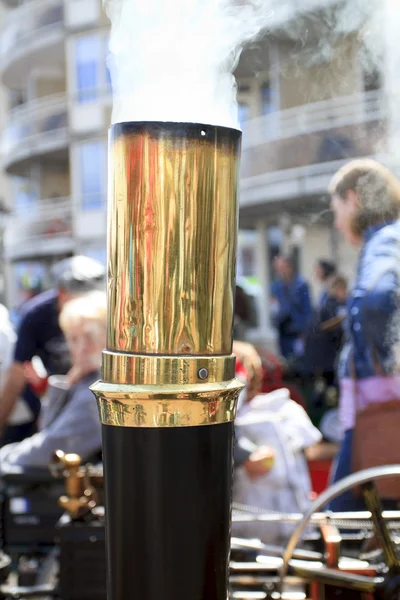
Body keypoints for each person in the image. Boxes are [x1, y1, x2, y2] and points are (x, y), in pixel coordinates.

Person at [328, 158, 400, 511]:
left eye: (337, 207)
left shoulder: (384, 241)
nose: (338, 221)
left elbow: (376, 299)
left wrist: (381, 367)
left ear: (354, 199)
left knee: (343, 519)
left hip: (380, 412)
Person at [0, 256, 105, 446]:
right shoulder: (35, 315)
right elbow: (17, 373)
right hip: (60, 395)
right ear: (62, 294)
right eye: (75, 339)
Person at [271, 255, 312, 362]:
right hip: (283, 330)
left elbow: (307, 309)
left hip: (298, 331)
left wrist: (305, 332)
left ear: (290, 267)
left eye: (283, 267)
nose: (281, 271)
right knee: (286, 361)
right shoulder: (276, 286)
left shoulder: (301, 285)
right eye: (278, 268)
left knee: (300, 361)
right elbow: (274, 307)